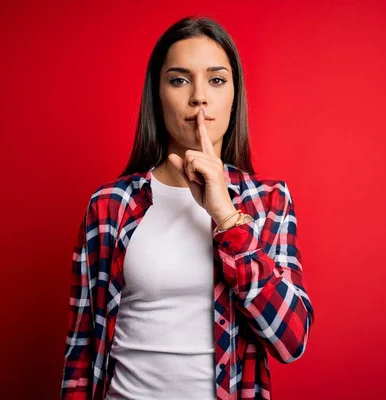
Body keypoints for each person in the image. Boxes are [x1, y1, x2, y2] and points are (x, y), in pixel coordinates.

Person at [61, 16, 315, 400]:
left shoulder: (269, 201)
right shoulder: (108, 205)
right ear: (157, 95)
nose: (199, 96)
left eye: (216, 80)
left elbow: (291, 340)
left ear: (234, 96)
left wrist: (227, 217)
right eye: (179, 79)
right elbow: (81, 349)